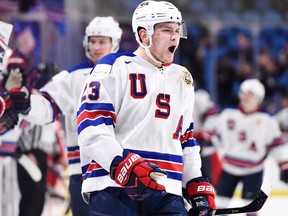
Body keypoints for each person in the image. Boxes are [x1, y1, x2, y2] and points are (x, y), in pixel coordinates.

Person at [77, 1, 216, 215]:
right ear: (144, 35)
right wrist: (119, 163)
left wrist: (194, 180)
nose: (174, 37)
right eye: (167, 30)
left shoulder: (182, 78)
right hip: (114, 187)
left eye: (177, 31)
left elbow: (185, 138)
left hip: (167, 190)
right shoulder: (113, 67)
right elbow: (92, 126)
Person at [12, 16, 122, 216]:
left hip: (120, 171)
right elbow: (46, 104)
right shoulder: (72, 77)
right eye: (93, 41)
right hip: (82, 171)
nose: (96, 46)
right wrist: (26, 102)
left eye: (102, 41)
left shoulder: (127, 73)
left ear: (114, 42)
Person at [199, 79, 288, 216]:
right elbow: (213, 136)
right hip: (229, 168)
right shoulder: (227, 115)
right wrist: (203, 143)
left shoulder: (267, 121)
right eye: (244, 93)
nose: (246, 97)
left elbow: (276, 145)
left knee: (252, 209)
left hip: (253, 171)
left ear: (258, 98)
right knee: (220, 206)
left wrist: (284, 164)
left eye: (250, 94)